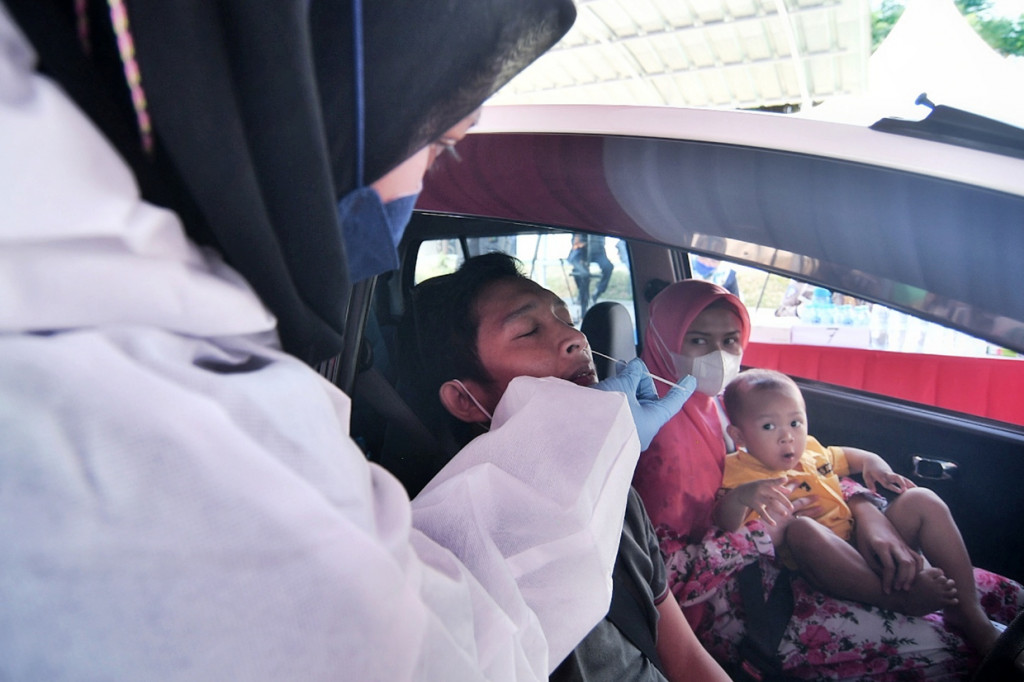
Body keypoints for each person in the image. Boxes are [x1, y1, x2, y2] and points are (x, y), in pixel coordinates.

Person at [0, 1, 690, 678]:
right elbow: (435, 653)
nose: (417, 186)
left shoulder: (116, 319)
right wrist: (583, 443)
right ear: (304, 95)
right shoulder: (134, 414)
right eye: (439, 143)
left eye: (561, 314)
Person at [634, 279, 1023, 679]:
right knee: (959, 655)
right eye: (698, 341)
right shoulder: (655, 444)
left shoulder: (713, 404)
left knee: (988, 580)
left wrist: (869, 514)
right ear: (666, 340)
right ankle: (907, 602)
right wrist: (771, 531)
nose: (719, 355)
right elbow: (662, 580)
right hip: (737, 597)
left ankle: (969, 613)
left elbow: (814, 466)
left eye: (731, 340)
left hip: (832, 541)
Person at [404, 252, 727, 682]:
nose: (575, 336)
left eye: (565, 316)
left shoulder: (617, 492)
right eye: (529, 331)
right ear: (467, 400)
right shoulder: (469, 548)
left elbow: (684, 656)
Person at [717, 368, 1001, 657]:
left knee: (922, 499)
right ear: (739, 435)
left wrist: (872, 462)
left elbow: (846, 457)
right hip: (821, 561)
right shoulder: (738, 471)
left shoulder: (811, 450)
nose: (787, 437)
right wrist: (741, 498)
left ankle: (967, 609)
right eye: (769, 427)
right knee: (802, 529)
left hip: (857, 537)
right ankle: (898, 600)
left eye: (795, 422)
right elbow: (725, 521)